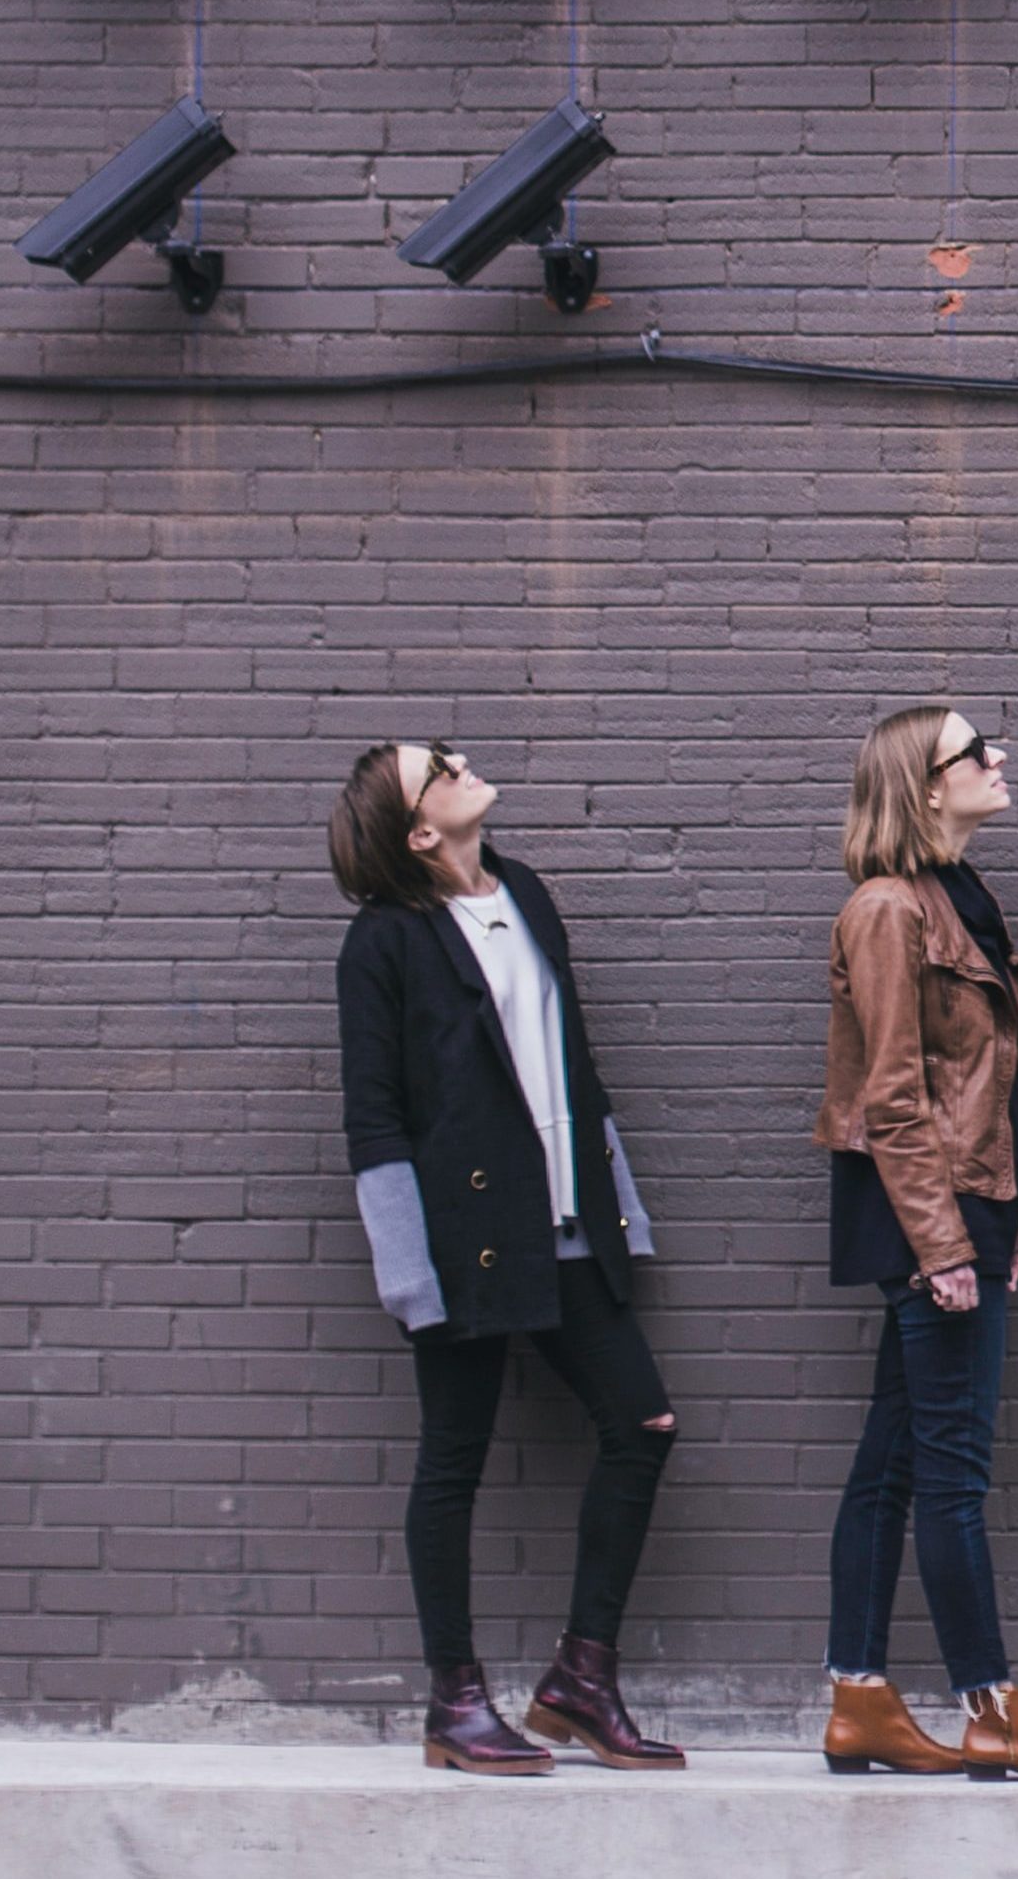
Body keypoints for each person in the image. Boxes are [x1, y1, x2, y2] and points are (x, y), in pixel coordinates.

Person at [329, 741, 686, 1774]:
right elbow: (374, 1119)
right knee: (453, 1460)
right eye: (438, 766)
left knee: (643, 1424)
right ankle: (455, 1700)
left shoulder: (524, 892)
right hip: (462, 1243)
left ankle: (580, 1679)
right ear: (418, 830)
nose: (460, 762)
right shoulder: (382, 946)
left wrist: (621, 1207)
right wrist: (408, 1275)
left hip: (568, 1223)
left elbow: (572, 1059)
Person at [816, 704, 1018, 1783]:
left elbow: (978, 1089)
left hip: (957, 1208)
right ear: (925, 785)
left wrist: (999, 1222)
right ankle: (991, 1706)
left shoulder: (954, 895)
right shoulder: (888, 911)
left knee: (892, 1465)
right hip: (924, 1216)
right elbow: (893, 1097)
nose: (999, 758)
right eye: (975, 749)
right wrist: (947, 1243)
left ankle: (856, 1698)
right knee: (951, 1474)